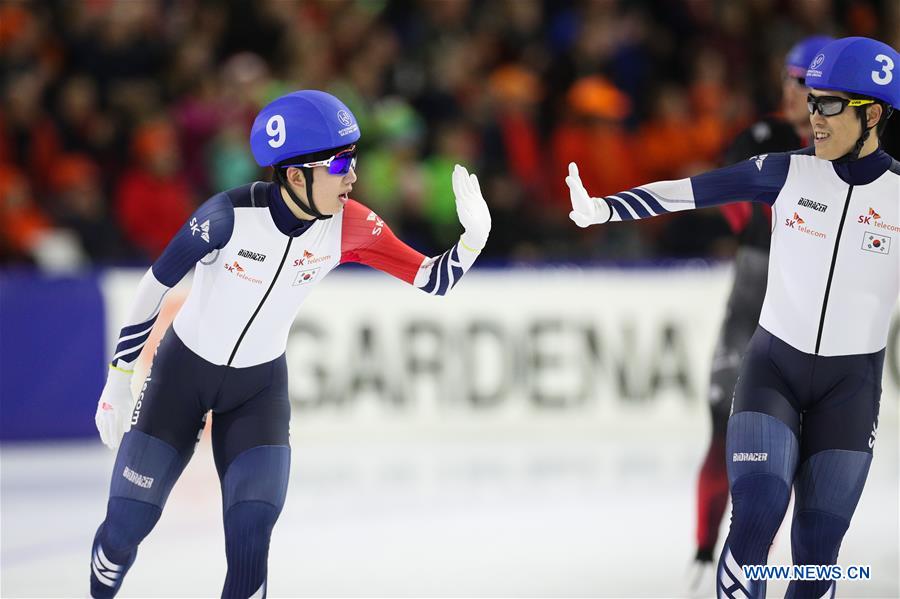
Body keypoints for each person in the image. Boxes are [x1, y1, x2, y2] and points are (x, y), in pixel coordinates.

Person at [88, 90, 491, 598]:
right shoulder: (227, 217)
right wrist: (120, 377)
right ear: (297, 175)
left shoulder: (351, 225)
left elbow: (434, 280)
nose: (354, 177)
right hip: (179, 379)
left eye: (355, 160)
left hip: (257, 392)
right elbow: (155, 284)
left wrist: (473, 238)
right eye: (341, 164)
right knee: (126, 529)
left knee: (252, 541)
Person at [565, 37, 899, 598]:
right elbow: (691, 192)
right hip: (774, 372)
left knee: (817, 555)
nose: (812, 116)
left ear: (873, 114)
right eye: (811, 101)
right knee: (758, 513)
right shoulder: (785, 171)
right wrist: (601, 208)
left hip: (851, 389)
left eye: (829, 105)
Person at [688, 35, 832, 593]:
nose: (792, 92)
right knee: (721, 424)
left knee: (781, 451)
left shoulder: (839, 157)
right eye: (788, 81)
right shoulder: (763, 138)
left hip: (797, 309)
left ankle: (758, 566)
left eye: (805, 84)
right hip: (753, 297)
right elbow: (727, 203)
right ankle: (704, 554)